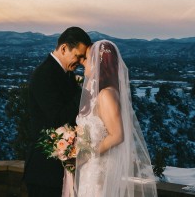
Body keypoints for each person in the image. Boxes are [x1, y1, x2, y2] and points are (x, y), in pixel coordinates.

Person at [73, 40, 157, 196]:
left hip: (99, 169)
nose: (82, 63)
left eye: (86, 59)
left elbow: (117, 135)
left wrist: (87, 154)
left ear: (98, 63)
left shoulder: (106, 95)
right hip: (91, 166)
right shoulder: (97, 94)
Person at [24, 26, 92, 197]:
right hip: (44, 171)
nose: (80, 62)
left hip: (59, 169)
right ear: (63, 48)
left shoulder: (65, 74)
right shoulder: (44, 75)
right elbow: (57, 118)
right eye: (78, 56)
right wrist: (85, 90)